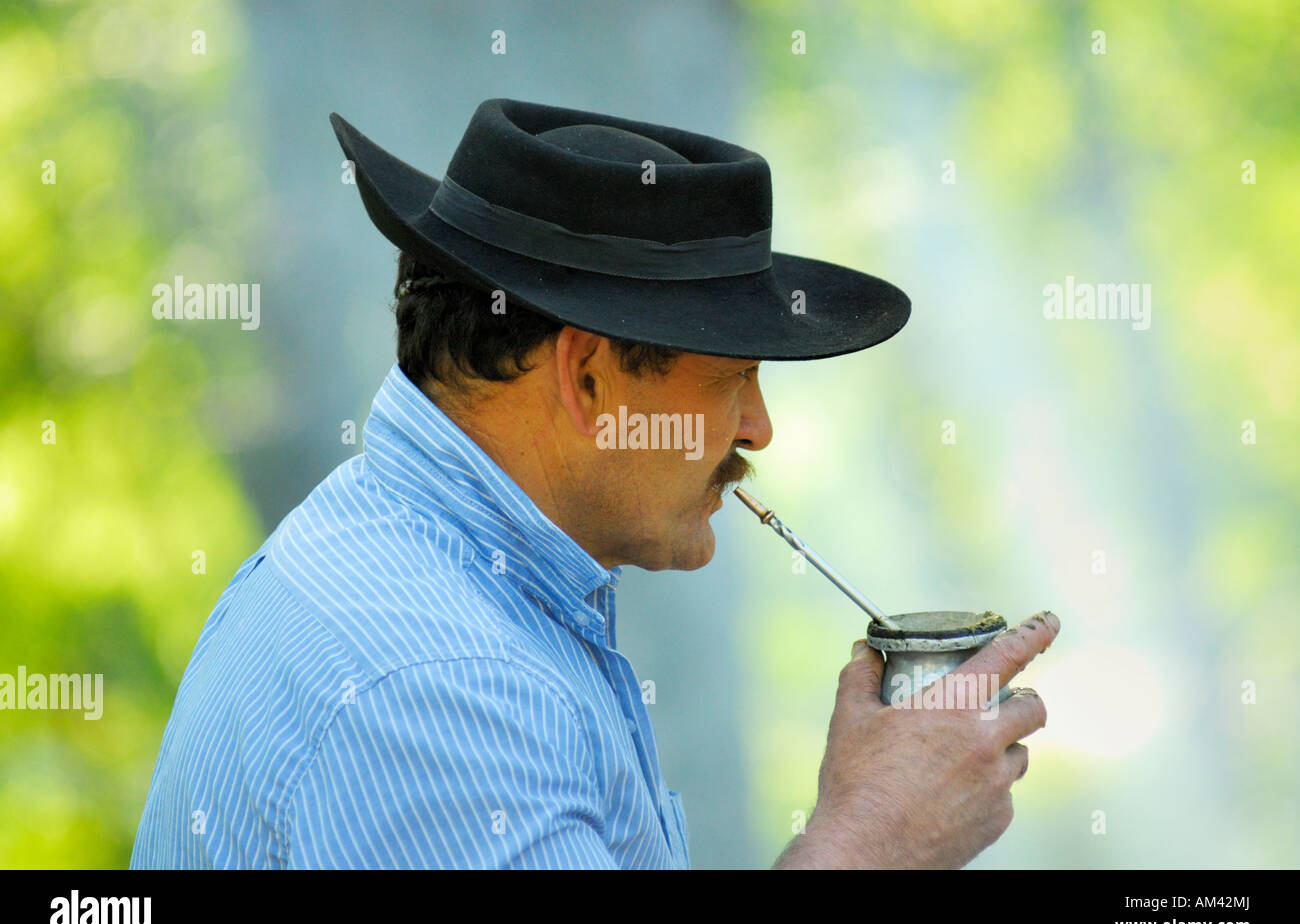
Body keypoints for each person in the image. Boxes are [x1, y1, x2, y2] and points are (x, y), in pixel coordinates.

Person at [130, 98, 1058, 869]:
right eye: (733, 377)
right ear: (587, 380)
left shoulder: (423, 560)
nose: (758, 429)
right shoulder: (444, 686)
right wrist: (866, 847)